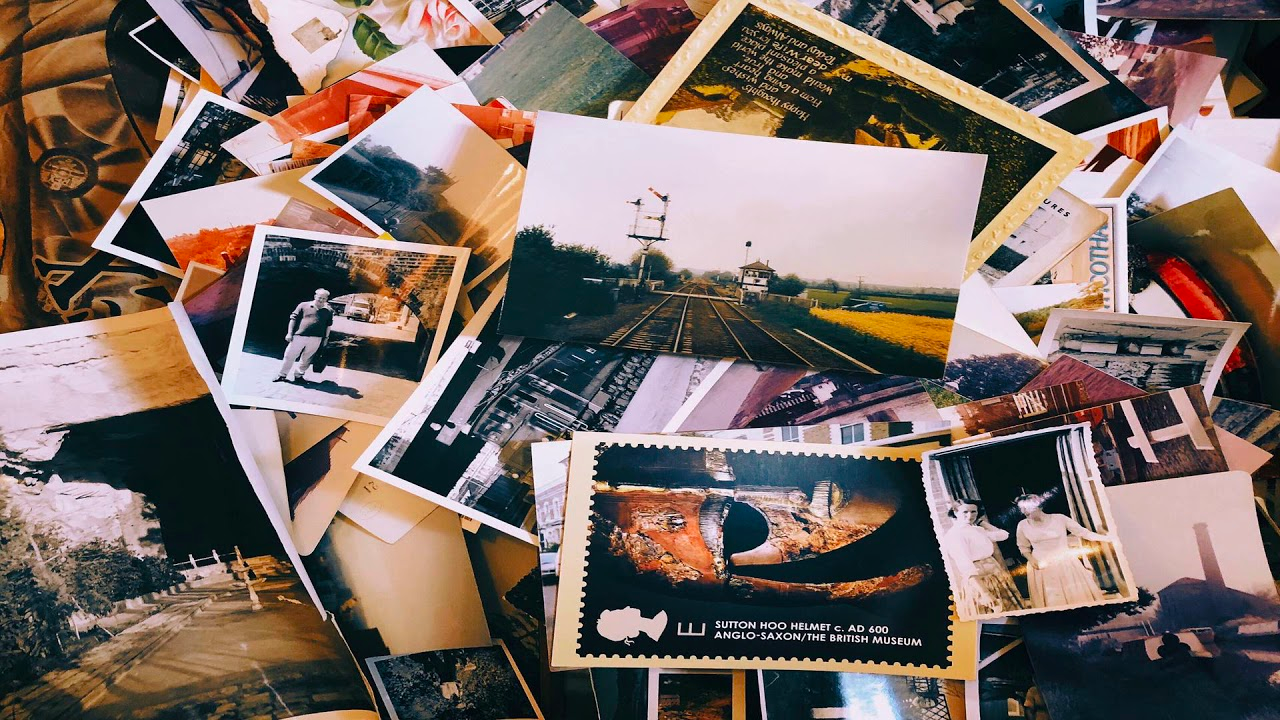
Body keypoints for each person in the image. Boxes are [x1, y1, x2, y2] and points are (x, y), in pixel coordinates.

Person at [1015, 494, 1116, 609]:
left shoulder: (1059, 519)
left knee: (1077, 598)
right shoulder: (1022, 525)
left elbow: (1083, 533)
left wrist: (1108, 538)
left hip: (1065, 562)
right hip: (1041, 566)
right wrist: (1032, 560)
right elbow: (1023, 547)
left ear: (1039, 506)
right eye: (1022, 509)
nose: (1024, 512)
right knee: (1053, 601)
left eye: (1027, 508)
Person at [941, 498, 1026, 616]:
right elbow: (966, 566)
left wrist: (982, 522)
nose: (970, 515)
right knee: (996, 613)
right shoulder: (955, 534)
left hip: (996, 575)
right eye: (965, 512)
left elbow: (1003, 535)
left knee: (1012, 611)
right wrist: (985, 593)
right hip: (980, 580)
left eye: (973, 511)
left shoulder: (976, 529)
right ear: (955, 512)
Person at [275, 288, 334, 383]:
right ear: (315, 296)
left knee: (307, 358)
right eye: (319, 297)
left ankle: (298, 375)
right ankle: (282, 375)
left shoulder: (329, 311)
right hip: (299, 336)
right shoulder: (303, 305)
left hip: (316, 338)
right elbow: (293, 319)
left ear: (326, 299)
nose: (321, 300)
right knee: (289, 355)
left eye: (324, 298)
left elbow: (328, 326)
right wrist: (289, 333)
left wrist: (326, 338)